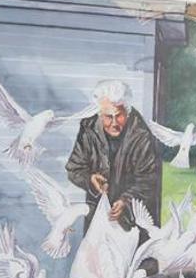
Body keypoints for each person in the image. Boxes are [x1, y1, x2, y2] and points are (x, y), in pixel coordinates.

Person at [66, 80, 159, 232]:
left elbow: (149, 181)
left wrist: (126, 201)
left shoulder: (141, 136)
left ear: (127, 113)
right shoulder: (88, 128)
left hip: (131, 223)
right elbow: (74, 169)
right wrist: (90, 180)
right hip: (97, 218)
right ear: (99, 114)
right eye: (108, 117)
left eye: (119, 116)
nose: (114, 123)